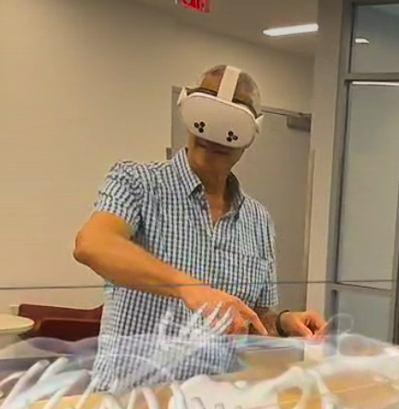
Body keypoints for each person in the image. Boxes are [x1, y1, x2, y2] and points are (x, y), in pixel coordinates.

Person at [74, 64, 326, 388]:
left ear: (249, 135)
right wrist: (188, 288)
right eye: (205, 121)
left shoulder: (258, 221)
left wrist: (284, 322)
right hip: (131, 405)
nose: (214, 137)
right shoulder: (137, 182)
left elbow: (254, 316)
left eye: (231, 126)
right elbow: (91, 243)